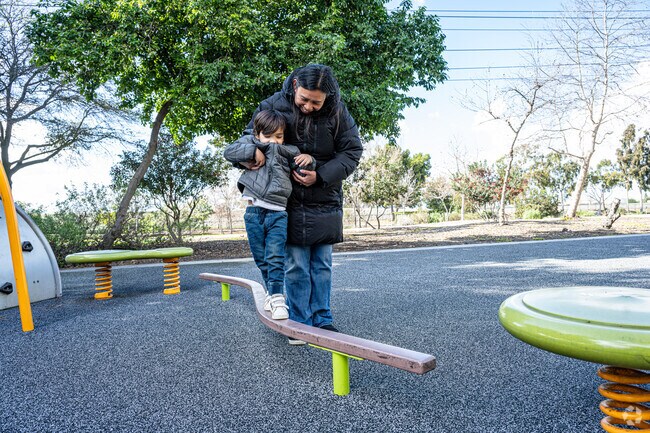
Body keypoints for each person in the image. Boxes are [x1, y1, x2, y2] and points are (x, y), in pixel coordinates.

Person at [244, 64, 363, 344]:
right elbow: (250, 138)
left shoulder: (338, 112)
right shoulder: (272, 105)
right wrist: (250, 156)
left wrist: (320, 175)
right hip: (286, 200)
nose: (309, 106)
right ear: (295, 85)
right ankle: (299, 323)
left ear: (327, 97)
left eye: (316, 102)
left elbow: (351, 151)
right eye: (304, 99)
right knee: (295, 263)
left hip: (325, 197)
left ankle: (323, 319)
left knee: (322, 263)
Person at [224, 109, 315, 320]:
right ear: (257, 135)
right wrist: (251, 152)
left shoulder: (289, 151)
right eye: (268, 136)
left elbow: (306, 165)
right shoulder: (251, 144)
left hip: (277, 214)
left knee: (275, 257)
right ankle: (270, 292)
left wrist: (309, 158)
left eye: (279, 136)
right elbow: (229, 152)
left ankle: (277, 297)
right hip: (253, 213)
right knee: (261, 258)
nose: (273, 141)